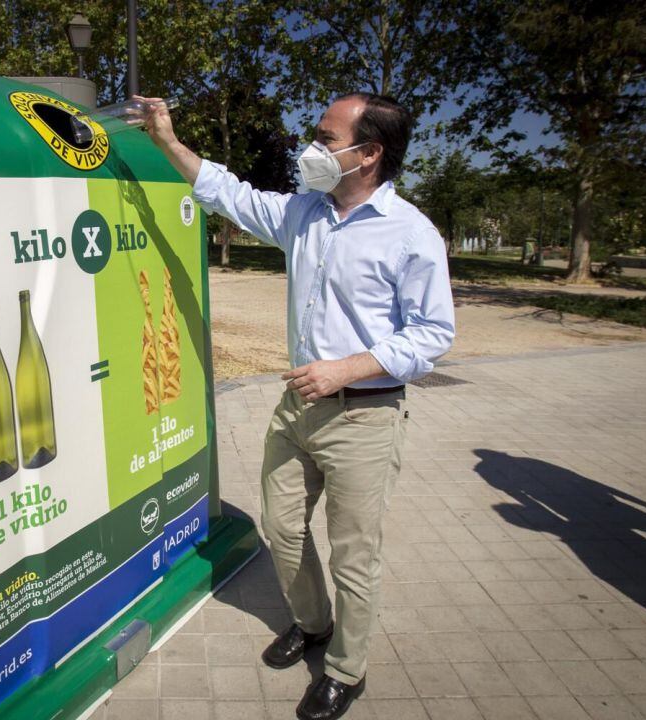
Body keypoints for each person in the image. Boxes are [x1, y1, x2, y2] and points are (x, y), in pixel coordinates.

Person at [138, 92, 455, 720]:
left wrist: (348, 366)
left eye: (325, 137)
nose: (310, 148)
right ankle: (312, 624)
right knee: (282, 530)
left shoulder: (411, 234)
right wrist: (167, 140)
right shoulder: (305, 212)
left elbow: (432, 334)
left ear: (368, 154)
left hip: (365, 416)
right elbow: (229, 193)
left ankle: (346, 668)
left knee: (353, 554)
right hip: (295, 412)